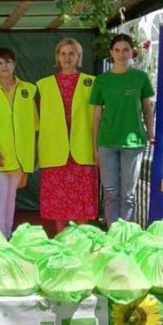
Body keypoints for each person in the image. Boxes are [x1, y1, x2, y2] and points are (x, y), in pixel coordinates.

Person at [90, 33, 156, 225]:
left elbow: (147, 109)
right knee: (110, 193)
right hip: (107, 143)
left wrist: (150, 133)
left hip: (133, 143)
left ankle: (127, 237)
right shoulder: (101, 81)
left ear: (132, 52)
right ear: (111, 53)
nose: (121, 54)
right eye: (117, 50)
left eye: (125, 50)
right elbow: (96, 117)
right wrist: (95, 148)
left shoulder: (140, 78)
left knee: (128, 194)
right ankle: (113, 236)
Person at [36, 38, 99, 235]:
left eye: (71, 53)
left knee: (82, 199)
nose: (67, 58)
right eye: (63, 53)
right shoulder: (43, 85)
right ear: (57, 57)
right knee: (57, 202)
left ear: (79, 56)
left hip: (83, 148)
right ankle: (61, 240)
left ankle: (82, 240)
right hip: (55, 151)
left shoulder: (92, 82)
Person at [0, 47, 38, 238]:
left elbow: (34, 124)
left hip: (21, 153)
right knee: (0, 193)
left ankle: (8, 233)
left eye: (7, 62)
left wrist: (33, 153)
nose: (4, 66)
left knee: (11, 195)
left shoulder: (28, 89)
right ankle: (0, 235)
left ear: (14, 64)